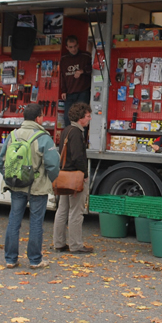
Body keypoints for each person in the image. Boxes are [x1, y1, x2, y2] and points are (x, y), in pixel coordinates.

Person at [0, 102, 60, 269]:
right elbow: (53, 165)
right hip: (37, 187)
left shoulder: (13, 136)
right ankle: (35, 260)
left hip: (16, 185)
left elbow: (0, 162)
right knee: (36, 222)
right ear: (39, 118)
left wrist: (11, 177)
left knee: (14, 220)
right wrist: (53, 181)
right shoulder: (43, 138)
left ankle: (10, 259)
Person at [53, 102, 94, 254]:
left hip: (64, 175)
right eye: (88, 116)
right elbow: (78, 156)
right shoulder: (77, 133)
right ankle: (76, 245)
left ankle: (59, 243)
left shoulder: (66, 130)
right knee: (76, 212)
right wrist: (85, 174)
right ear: (80, 118)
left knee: (62, 210)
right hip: (75, 176)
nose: (89, 119)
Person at [59, 35, 92, 128]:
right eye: (70, 47)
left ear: (78, 45)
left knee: (82, 117)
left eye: (75, 46)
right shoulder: (64, 59)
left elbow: (93, 69)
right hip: (70, 92)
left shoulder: (86, 56)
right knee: (67, 117)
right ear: (66, 47)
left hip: (83, 91)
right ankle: (69, 138)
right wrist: (64, 90)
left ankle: (81, 139)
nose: (73, 49)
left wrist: (82, 71)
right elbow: (63, 75)